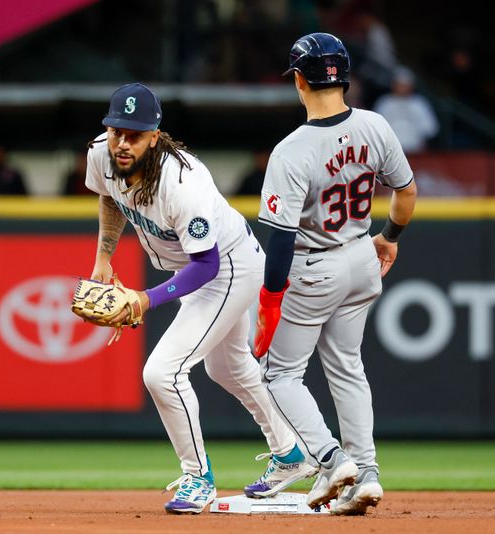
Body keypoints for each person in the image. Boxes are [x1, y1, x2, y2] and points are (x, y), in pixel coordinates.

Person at [84, 83, 315, 514]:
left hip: (228, 267)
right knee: (227, 367)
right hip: (201, 268)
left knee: (162, 373)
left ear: (154, 136)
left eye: (134, 134)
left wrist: (144, 300)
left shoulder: (182, 182)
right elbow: (110, 197)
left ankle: (198, 478)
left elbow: (207, 266)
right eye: (116, 130)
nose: (122, 141)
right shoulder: (103, 153)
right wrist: (103, 257)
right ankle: (290, 453)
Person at [253, 33, 417, 515]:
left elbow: (280, 239)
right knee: (347, 367)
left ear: (300, 80)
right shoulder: (376, 125)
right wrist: (390, 236)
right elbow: (406, 194)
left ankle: (331, 460)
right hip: (362, 256)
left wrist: (269, 298)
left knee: (278, 375)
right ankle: (366, 475)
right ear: (343, 77)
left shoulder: (291, 150)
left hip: (313, 264)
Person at [373, 66, 439, 153]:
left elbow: (431, 128)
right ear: (393, 85)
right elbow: (375, 129)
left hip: (416, 152)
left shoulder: (420, 103)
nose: (402, 88)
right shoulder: (385, 103)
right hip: (390, 153)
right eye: (400, 84)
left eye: (405, 85)